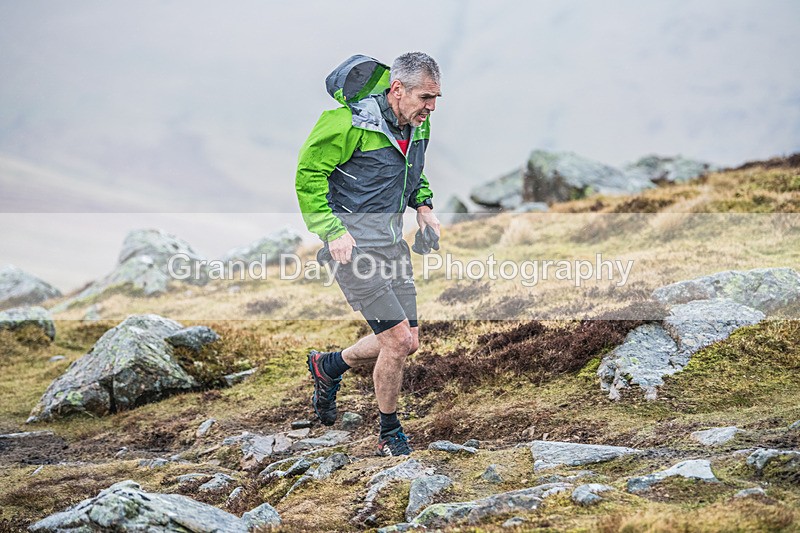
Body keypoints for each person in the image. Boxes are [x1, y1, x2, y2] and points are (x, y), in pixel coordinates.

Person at [295, 52, 442, 456]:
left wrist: (423, 206)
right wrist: (332, 231)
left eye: (436, 98)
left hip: (392, 245)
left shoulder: (417, 124)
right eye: (425, 97)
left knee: (410, 341)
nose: (431, 107)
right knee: (396, 341)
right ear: (398, 89)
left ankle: (328, 366)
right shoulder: (347, 123)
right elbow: (308, 176)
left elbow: (412, 171)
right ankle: (389, 433)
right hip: (353, 250)